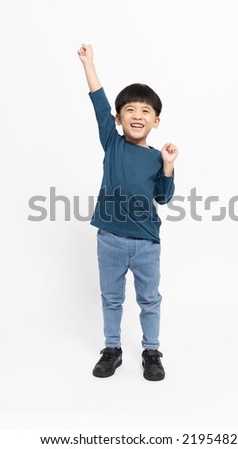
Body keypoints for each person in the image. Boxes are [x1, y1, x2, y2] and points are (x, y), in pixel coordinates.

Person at [77, 43, 178, 381]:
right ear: (119, 119)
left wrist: (167, 165)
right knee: (111, 298)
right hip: (111, 240)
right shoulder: (113, 142)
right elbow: (98, 102)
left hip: (147, 243)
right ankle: (112, 348)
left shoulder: (155, 157)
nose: (138, 115)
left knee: (149, 299)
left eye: (146, 111)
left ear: (156, 120)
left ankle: (152, 350)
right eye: (130, 110)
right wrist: (89, 64)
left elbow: (163, 197)